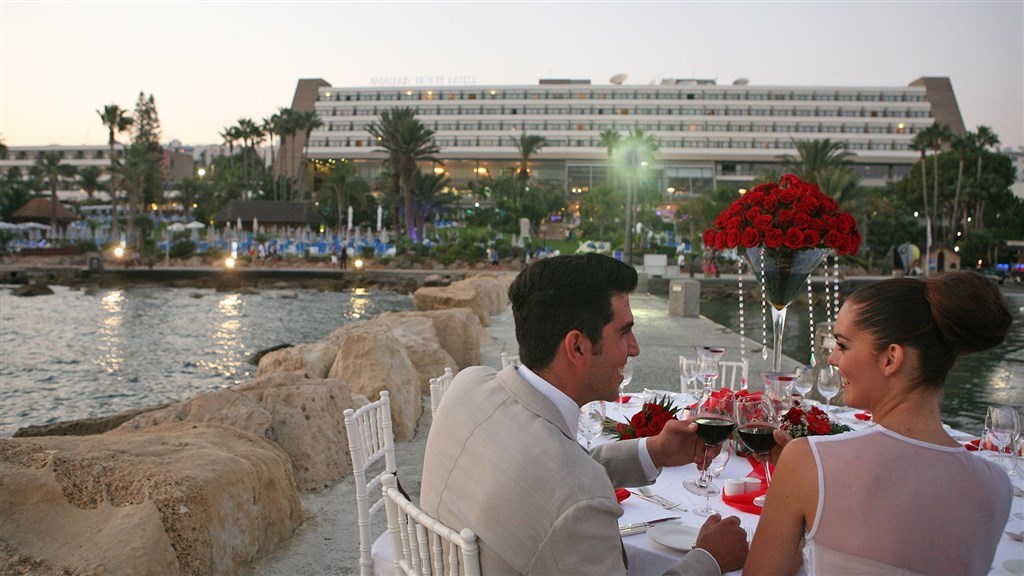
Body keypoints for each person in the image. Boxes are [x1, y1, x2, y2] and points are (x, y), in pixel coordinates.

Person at [420, 253, 749, 575]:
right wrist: (709, 559)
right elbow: (568, 488)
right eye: (624, 332)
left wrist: (654, 451)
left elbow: (553, 474)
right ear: (577, 347)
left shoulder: (469, 384)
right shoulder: (575, 497)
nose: (634, 348)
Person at [746, 271, 1013, 576]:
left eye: (843, 345)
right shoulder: (996, 486)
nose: (832, 358)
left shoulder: (807, 461)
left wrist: (799, 483)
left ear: (891, 359)